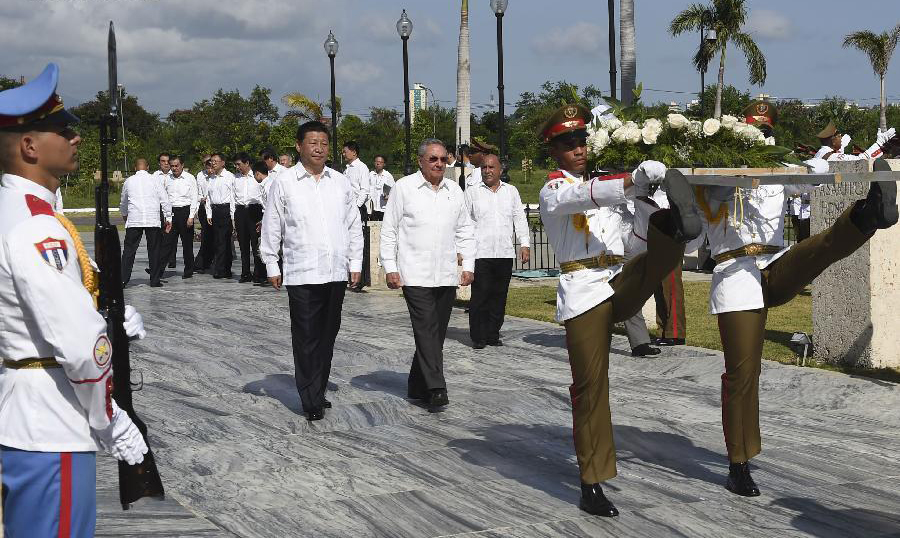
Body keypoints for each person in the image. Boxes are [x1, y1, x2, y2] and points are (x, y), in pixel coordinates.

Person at [0, 63, 148, 537]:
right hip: (51, 421)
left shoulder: (14, 210)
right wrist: (110, 420)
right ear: (29, 146)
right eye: (64, 130)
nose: (75, 138)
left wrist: (104, 309)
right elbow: (81, 346)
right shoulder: (37, 225)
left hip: (17, 410)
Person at [693, 156, 897, 498]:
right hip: (736, 275)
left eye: (767, 132)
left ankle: (867, 215)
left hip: (777, 264)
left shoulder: (775, 175)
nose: (765, 140)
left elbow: (811, 177)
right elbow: (692, 233)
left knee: (820, 248)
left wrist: (813, 168)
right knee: (743, 374)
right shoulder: (712, 181)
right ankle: (738, 464)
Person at [537, 104, 701, 516]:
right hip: (583, 291)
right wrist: (630, 181)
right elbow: (582, 195)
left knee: (653, 255)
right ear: (554, 150)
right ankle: (591, 480)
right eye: (568, 143)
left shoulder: (609, 193)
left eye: (581, 141)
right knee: (592, 387)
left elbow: (632, 243)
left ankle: (677, 227)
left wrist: (646, 202)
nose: (578, 148)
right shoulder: (553, 190)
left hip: (617, 280)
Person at [260, 121, 363, 421]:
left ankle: (317, 388)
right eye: (312, 142)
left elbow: (352, 225)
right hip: (302, 272)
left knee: (328, 335)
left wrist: (355, 263)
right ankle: (310, 398)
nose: (319, 148)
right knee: (306, 336)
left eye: (324, 143)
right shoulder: (285, 182)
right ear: (298, 146)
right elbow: (273, 225)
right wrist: (271, 263)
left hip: (334, 273)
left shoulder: (340, 182)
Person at [380, 138, 476, 413]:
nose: (438, 164)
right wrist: (390, 267)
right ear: (421, 161)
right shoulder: (404, 188)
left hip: (445, 275)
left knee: (435, 334)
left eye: (443, 159)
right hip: (414, 274)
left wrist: (468, 265)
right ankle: (436, 386)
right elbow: (389, 230)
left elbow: (465, 231)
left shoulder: (454, 191)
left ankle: (416, 384)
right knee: (425, 330)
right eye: (433, 159)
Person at [465, 153, 529, 349]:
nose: (487, 171)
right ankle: (478, 336)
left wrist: (524, 244)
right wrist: (463, 250)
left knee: (499, 297)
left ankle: (493, 334)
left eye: (491, 167)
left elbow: (519, 218)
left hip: (504, 253)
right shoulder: (472, 192)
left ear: (500, 169)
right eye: (484, 167)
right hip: (481, 253)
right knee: (481, 296)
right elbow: (465, 223)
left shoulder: (511, 192)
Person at [619, 197, 661, 357]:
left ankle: (640, 343)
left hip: (628, 248)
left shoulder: (634, 196)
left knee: (631, 295)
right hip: (604, 254)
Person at [120, 158, 172, 287]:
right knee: (154, 250)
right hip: (152, 219)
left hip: (135, 219)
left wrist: (125, 215)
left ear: (135, 167)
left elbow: (124, 201)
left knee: (129, 251)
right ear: (148, 167)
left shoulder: (128, 181)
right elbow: (164, 199)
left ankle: (123, 280)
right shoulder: (155, 179)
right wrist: (168, 218)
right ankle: (154, 280)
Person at [649, 185, 687, 346]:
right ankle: (664, 330)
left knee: (671, 289)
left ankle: (676, 332)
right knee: (659, 290)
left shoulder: (671, 195)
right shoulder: (652, 193)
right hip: (654, 245)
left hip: (669, 244)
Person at [161, 155, 198, 279]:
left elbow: (194, 198)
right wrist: (167, 216)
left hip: (185, 211)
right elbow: (165, 198)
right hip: (172, 212)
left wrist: (191, 216)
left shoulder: (190, 178)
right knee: (167, 242)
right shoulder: (168, 179)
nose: (174, 168)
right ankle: (158, 270)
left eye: (176, 166)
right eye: (172, 166)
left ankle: (188, 270)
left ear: (182, 165)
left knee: (187, 244)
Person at [232, 152, 264, 283]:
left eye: (239, 164)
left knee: (256, 243)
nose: (237, 167)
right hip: (240, 211)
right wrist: (233, 216)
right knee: (243, 244)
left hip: (254, 210)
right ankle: (245, 273)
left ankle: (259, 273)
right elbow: (232, 197)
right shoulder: (235, 178)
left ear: (247, 163)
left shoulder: (256, 176)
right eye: (235, 165)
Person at [204, 152, 236, 279]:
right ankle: (223, 268)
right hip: (215, 211)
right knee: (218, 241)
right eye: (212, 161)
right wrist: (209, 213)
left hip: (226, 210)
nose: (213, 163)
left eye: (216, 161)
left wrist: (233, 216)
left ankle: (222, 269)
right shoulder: (211, 178)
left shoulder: (230, 177)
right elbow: (209, 198)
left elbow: (233, 197)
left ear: (223, 162)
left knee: (224, 241)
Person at [814, 121, 895, 161]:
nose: (841, 139)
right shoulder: (832, 156)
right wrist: (879, 143)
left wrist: (840, 148)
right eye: (839, 136)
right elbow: (862, 160)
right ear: (833, 141)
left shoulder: (821, 153)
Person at [194, 155, 214, 273]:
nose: (208, 167)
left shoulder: (217, 175)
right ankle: (202, 263)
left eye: (210, 164)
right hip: (204, 207)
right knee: (206, 235)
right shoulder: (200, 175)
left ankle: (213, 261)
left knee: (216, 237)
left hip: (215, 207)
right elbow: (198, 192)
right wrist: (200, 200)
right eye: (205, 165)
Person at [343, 141, 371, 218]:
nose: (343, 154)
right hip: (347, 207)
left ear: (354, 152)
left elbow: (365, 190)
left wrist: (357, 206)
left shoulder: (362, 167)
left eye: (345, 152)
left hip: (357, 208)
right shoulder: (347, 169)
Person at [368, 154, 395, 221]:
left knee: (383, 228)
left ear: (384, 164)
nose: (378, 163)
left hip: (383, 208)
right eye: (376, 162)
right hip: (372, 208)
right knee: (373, 229)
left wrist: (388, 196)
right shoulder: (370, 175)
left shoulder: (388, 176)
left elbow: (394, 191)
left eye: (380, 162)